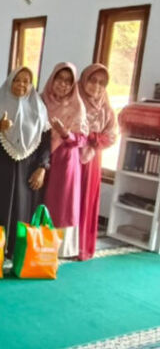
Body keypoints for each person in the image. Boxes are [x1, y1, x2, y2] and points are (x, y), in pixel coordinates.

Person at [0, 67, 51, 256]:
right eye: (17, 80)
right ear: (10, 81)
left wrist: (42, 168)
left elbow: (46, 141)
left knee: (23, 206)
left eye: (26, 81)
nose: (21, 84)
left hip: (28, 166)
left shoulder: (39, 107)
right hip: (1, 165)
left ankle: (17, 249)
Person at [41, 63, 89, 258]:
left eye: (68, 82)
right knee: (40, 199)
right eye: (59, 79)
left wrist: (65, 134)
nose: (63, 85)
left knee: (61, 202)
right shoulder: (42, 100)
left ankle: (60, 248)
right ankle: (38, 242)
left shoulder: (77, 106)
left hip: (65, 158)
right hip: (41, 155)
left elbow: (82, 138)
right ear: (52, 79)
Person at [78, 64, 116, 261]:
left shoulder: (106, 108)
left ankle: (81, 246)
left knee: (86, 200)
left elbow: (112, 135)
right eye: (93, 80)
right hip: (69, 156)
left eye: (102, 83)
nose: (96, 86)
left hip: (92, 160)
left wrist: (93, 138)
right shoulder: (73, 99)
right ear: (84, 79)